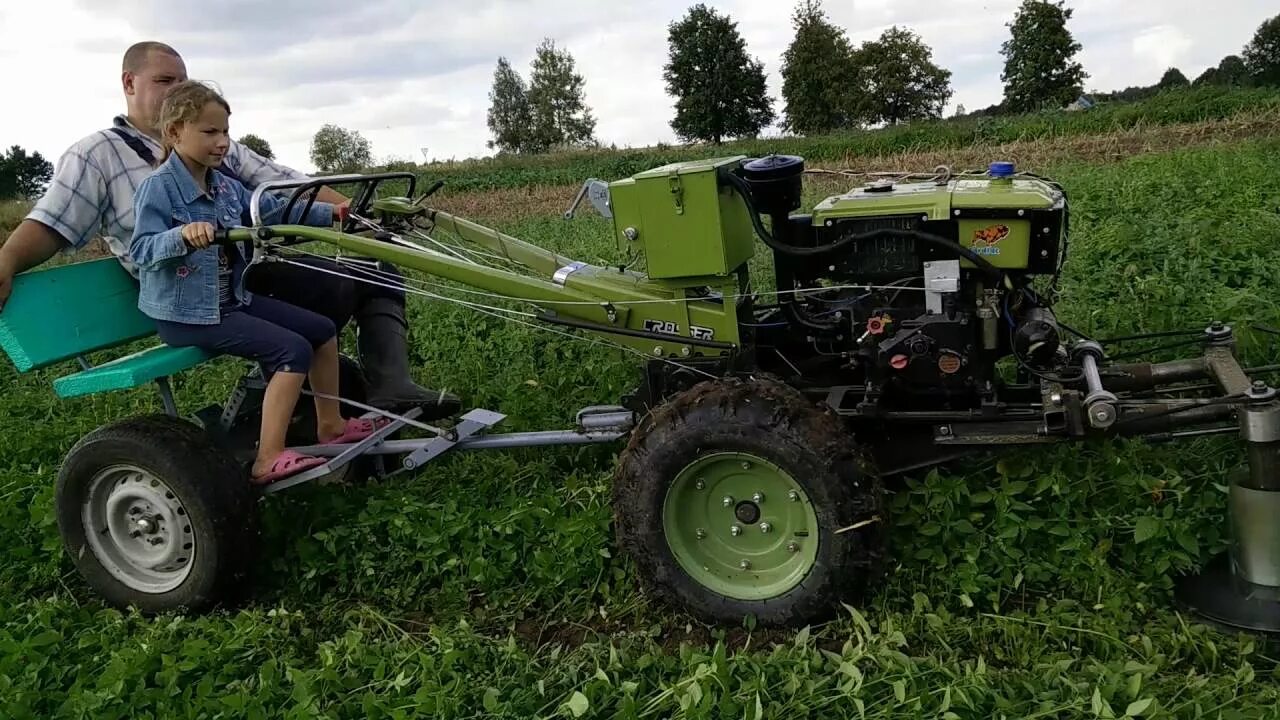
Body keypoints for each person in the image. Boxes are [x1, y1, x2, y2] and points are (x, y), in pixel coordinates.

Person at [0, 41, 460, 420]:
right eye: (164, 81)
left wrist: (354, 213)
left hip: (245, 270)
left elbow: (283, 186)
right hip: (187, 292)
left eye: (182, 81)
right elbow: (51, 222)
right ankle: (290, 391)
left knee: (373, 263)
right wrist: (6, 261)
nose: (177, 90)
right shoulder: (97, 155)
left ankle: (389, 385)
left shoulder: (214, 144)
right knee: (338, 288)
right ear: (129, 83)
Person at [131, 80, 387, 484]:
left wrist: (334, 214)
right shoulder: (157, 189)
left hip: (229, 299)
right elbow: (141, 249)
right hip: (187, 314)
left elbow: (273, 210)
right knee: (291, 351)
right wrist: (181, 235)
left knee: (321, 332)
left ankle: (331, 425)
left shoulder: (225, 186)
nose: (222, 142)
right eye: (210, 132)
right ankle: (267, 458)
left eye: (226, 132)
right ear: (175, 132)